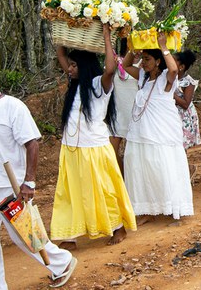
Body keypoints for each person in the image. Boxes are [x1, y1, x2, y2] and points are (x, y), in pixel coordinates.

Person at [0, 63, 76, 289]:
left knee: (23, 234)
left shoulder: (13, 107)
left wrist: (29, 181)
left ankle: (62, 263)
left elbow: (32, 143)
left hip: (9, 187)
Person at [51, 24, 137, 250]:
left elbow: (110, 69)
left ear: (85, 67)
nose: (69, 69)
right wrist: (59, 28)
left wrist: (107, 36)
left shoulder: (100, 84)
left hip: (95, 148)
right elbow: (61, 55)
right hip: (70, 148)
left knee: (103, 190)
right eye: (70, 65)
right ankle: (71, 236)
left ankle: (118, 227)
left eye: (73, 66)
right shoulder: (74, 84)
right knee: (70, 193)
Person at [121, 34, 194, 224]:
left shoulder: (166, 78)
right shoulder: (143, 77)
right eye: (143, 59)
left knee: (163, 166)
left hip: (161, 132)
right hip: (140, 131)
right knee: (141, 168)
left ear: (158, 61)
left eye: (147, 59)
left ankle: (173, 208)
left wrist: (163, 47)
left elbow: (173, 68)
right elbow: (126, 66)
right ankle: (147, 209)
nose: (143, 63)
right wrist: (133, 48)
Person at [110, 38, 139, 175]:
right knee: (111, 151)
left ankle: (132, 182)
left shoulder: (144, 64)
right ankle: (122, 180)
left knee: (133, 155)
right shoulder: (115, 63)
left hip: (135, 116)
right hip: (118, 115)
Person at [173, 50, 201, 178]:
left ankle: (184, 173)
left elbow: (185, 103)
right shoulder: (169, 78)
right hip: (172, 116)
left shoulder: (189, 82)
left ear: (181, 67)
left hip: (183, 118)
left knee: (180, 147)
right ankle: (183, 172)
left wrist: (171, 95)